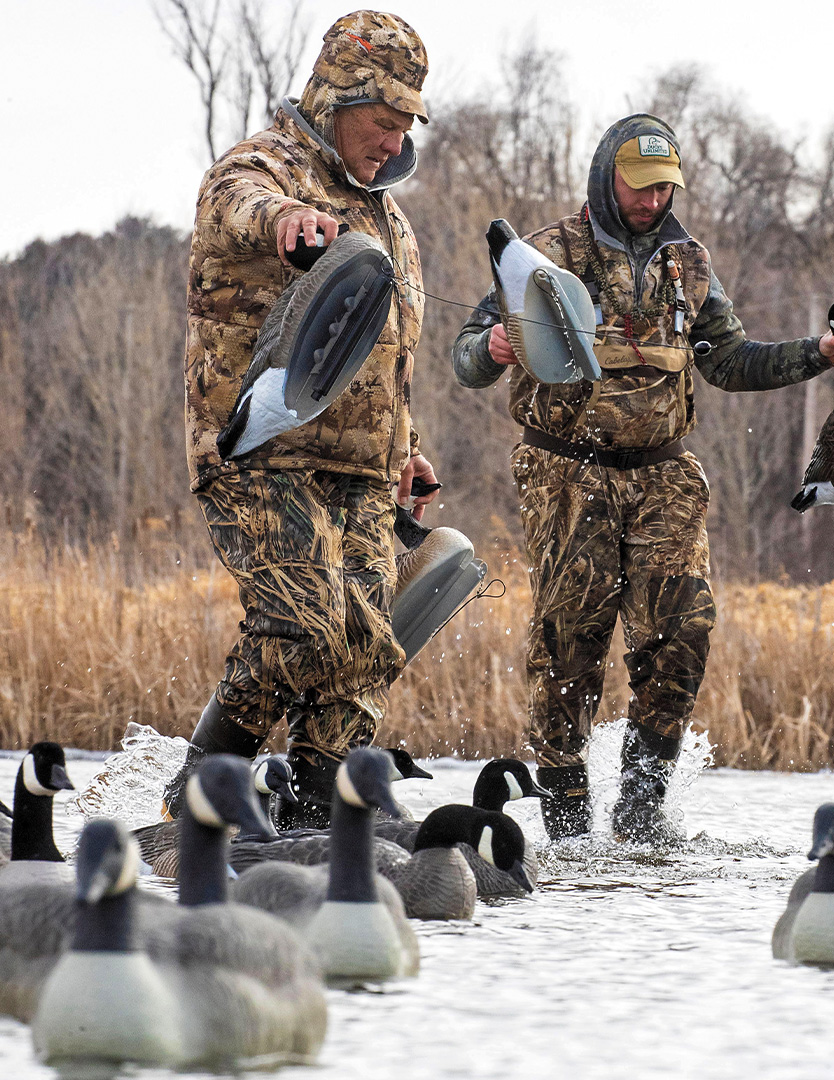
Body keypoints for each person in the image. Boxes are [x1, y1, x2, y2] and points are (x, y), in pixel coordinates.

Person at [452, 114, 834, 841]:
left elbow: (731, 361)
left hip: (664, 477)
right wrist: (491, 347)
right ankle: (570, 826)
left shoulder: (690, 262)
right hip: (566, 475)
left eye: (664, 188)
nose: (652, 201)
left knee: (685, 631)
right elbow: (464, 360)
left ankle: (643, 816)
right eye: (640, 187)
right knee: (568, 647)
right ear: (606, 178)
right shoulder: (543, 255)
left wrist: (820, 354)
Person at [173, 10, 438, 827]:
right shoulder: (265, 165)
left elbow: (382, 355)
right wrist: (284, 221)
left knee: (364, 652)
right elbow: (237, 201)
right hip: (262, 455)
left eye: (405, 127)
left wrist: (407, 452)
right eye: (382, 121)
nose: (394, 141)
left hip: (362, 477)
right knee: (305, 628)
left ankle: (318, 822)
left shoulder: (391, 218)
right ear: (336, 97)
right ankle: (197, 794)